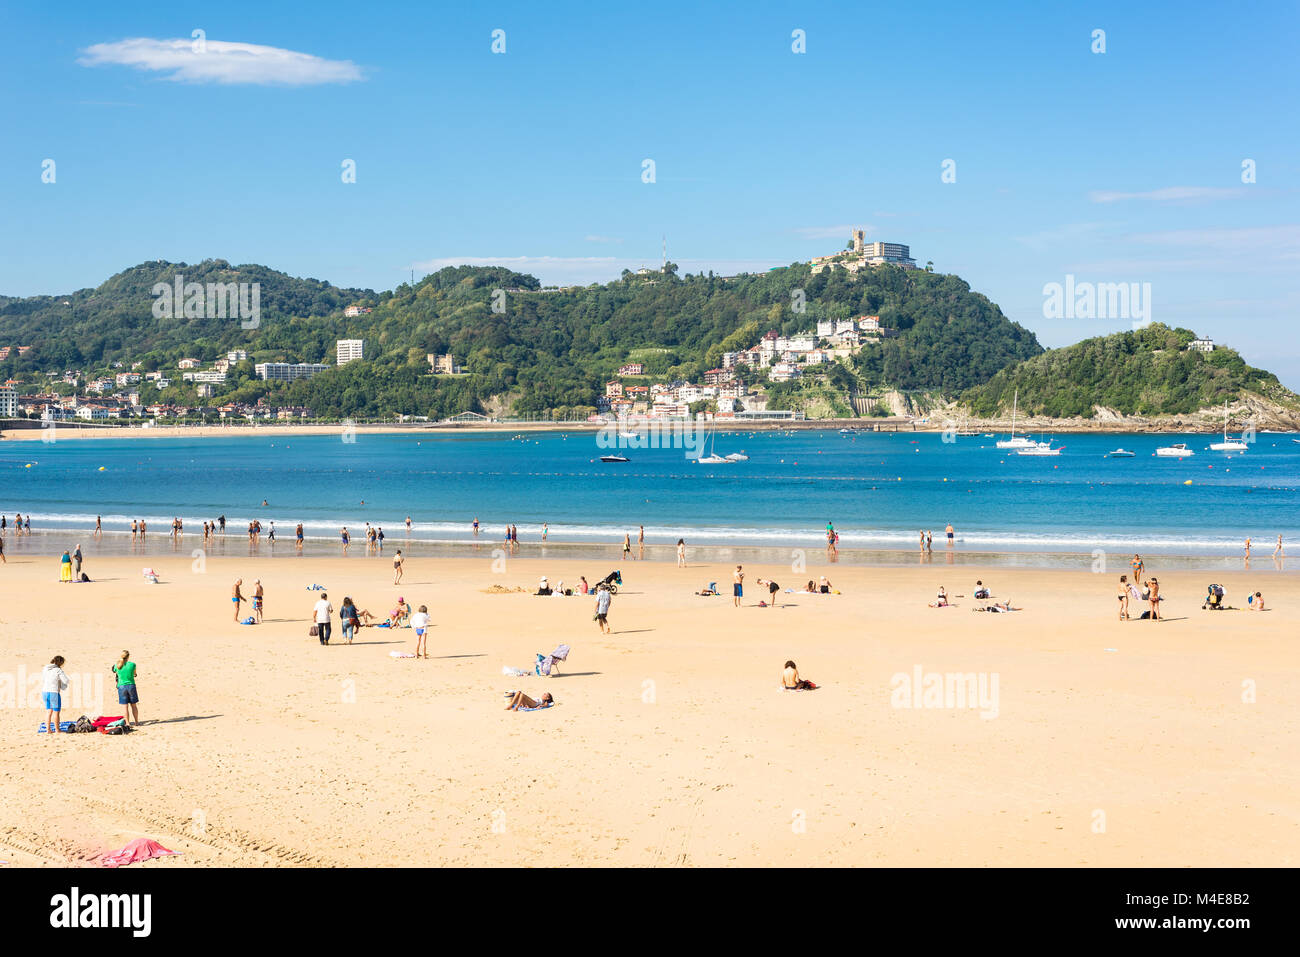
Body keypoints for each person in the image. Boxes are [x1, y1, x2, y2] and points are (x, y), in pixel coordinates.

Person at [113, 650, 140, 725]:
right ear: (128, 656)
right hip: (131, 685)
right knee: (134, 705)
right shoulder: (132, 665)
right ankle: (136, 722)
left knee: (125, 707)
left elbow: (115, 671)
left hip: (121, 687)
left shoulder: (117, 665)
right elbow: (134, 674)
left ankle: (127, 723)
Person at [43, 655, 69, 734]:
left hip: (44, 692)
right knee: (56, 712)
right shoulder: (58, 670)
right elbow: (66, 680)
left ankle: (48, 730)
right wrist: (61, 684)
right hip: (53, 692)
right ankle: (57, 730)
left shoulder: (45, 669)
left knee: (48, 712)